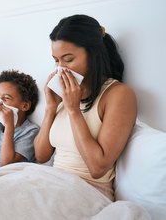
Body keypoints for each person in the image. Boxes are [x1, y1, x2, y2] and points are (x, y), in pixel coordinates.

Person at [34, 14, 137, 201]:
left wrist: (74, 110)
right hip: (53, 183)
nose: (61, 69)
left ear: (93, 54)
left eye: (68, 59)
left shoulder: (118, 94)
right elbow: (41, 156)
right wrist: (50, 108)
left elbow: (98, 168)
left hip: (87, 192)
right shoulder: (65, 94)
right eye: (56, 61)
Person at [0, 70, 40, 167]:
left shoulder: (30, 131)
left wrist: (10, 125)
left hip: (3, 174)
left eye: (6, 98)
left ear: (25, 106)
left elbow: (6, 163)